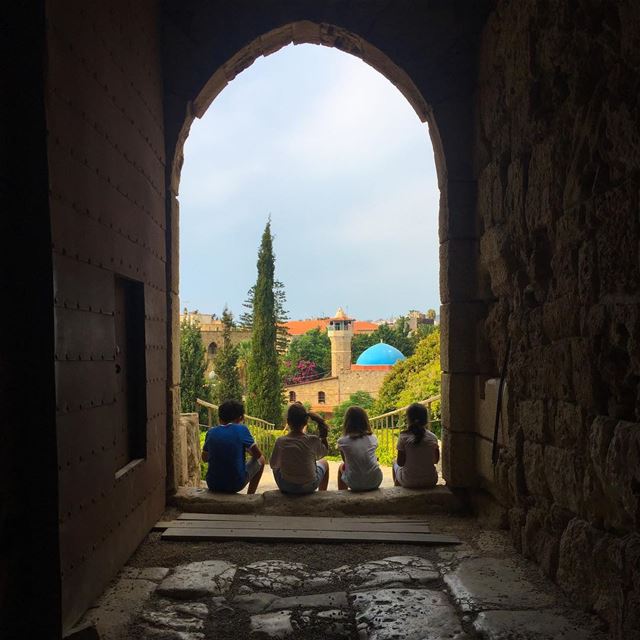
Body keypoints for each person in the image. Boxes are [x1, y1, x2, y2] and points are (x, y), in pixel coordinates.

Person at [201, 399, 265, 494]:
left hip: (213, 484)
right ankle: (250, 495)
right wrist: (245, 449)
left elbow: (204, 458)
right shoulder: (242, 429)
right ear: (241, 418)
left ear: (219, 418)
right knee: (262, 460)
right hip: (235, 484)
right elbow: (258, 455)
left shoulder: (211, 432)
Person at [270, 403, 330, 494]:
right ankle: (322, 494)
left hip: (287, 487)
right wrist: (324, 436)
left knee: (276, 467)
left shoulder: (280, 441)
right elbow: (324, 452)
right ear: (306, 422)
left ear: (288, 421)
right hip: (309, 486)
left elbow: (273, 464)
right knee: (324, 462)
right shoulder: (313, 440)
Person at [392, 402, 439, 489]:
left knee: (394, 462)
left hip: (409, 481)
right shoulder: (433, 437)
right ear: (426, 420)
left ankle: (397, 490)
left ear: (408, 419)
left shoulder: (403, 437)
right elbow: (436, 460)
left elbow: (400, 463)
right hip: (431, 480)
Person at [337, 406, 383, 491]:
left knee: (341, 466)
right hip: (375, 481)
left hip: (354, 484)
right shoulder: (373, 438)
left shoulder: (342, 441)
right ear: (365, 421)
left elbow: (346, 462)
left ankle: (342, 494)